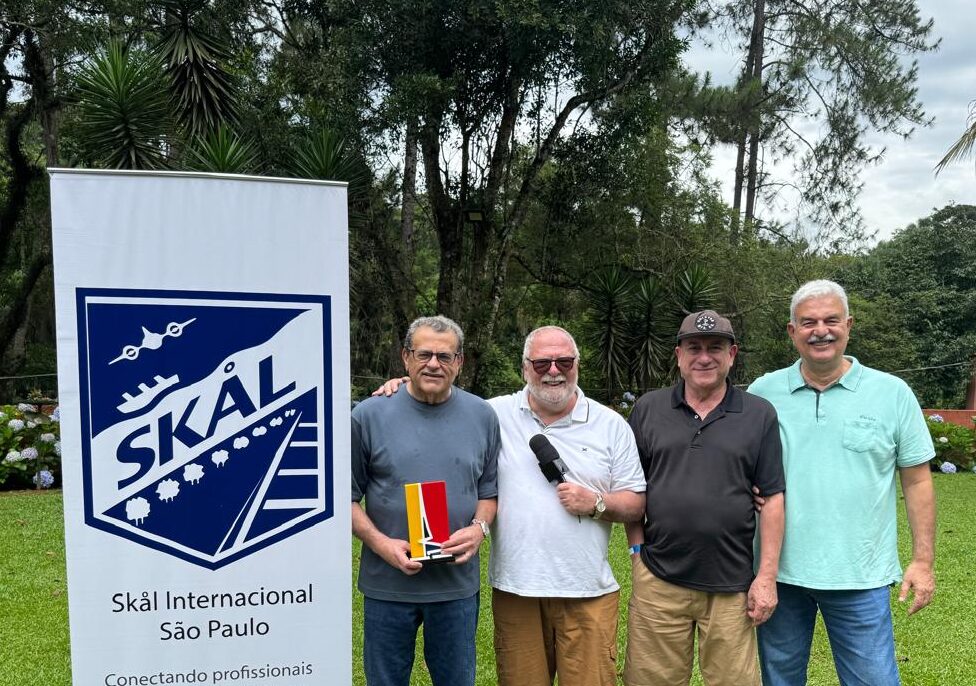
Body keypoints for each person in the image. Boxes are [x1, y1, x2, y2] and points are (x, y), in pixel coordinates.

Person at [375, 325, 646, 686]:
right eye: (542, 363)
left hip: (587, 592)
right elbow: (435, 395)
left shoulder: (610, 424)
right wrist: (401, 387)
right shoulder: (490, 415)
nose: (553, 370)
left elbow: (635, 503)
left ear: (577, 365)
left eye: (564, 361)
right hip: (516, 590)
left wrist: (596, 502)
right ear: (524, 368)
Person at [748, 279, 936, 686]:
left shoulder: (892, 393)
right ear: (792, 331)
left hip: (860, 574)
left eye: (831, 320)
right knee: (779, 680)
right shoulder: (762, 393)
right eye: (808, 322)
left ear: (849, 325)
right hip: (777, 572)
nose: (821, 330)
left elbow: (918, 481)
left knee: (874, 680)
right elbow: (736, 465)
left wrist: (922, 562)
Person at [623, 310, 786, 686]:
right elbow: (634, 486)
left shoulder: (758, 414)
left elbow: (773, 498)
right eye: (694, 347)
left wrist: (767, 577)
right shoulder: (648, 409)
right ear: (678, 354)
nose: (704, 357)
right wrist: (636, 553)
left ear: (733, 355)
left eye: (716, 347)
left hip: (731, 585)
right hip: (659, 579)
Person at [351, 315, 500, 686]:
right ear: (406, 358)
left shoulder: (482, 415)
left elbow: (489, 492)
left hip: (455, 586)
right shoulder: (368, 416)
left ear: (460, 362)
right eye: (424, 354)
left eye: (445, 356)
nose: (434, 363)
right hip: (388, 584)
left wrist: (480, 529)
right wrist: (381, 544)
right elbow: (345, 500)